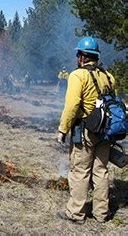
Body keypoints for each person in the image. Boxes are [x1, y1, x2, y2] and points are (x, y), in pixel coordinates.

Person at [57, 37, 116, 224]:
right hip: (105, 131)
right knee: (101, 171)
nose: (76, 57)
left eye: (78, 54)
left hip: (86, 131)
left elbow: (73, 105)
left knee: (80, 171)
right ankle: (101, 214)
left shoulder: (77, 75)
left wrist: (62, 129)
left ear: (82, 56)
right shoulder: (108, 76)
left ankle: (76, 213)